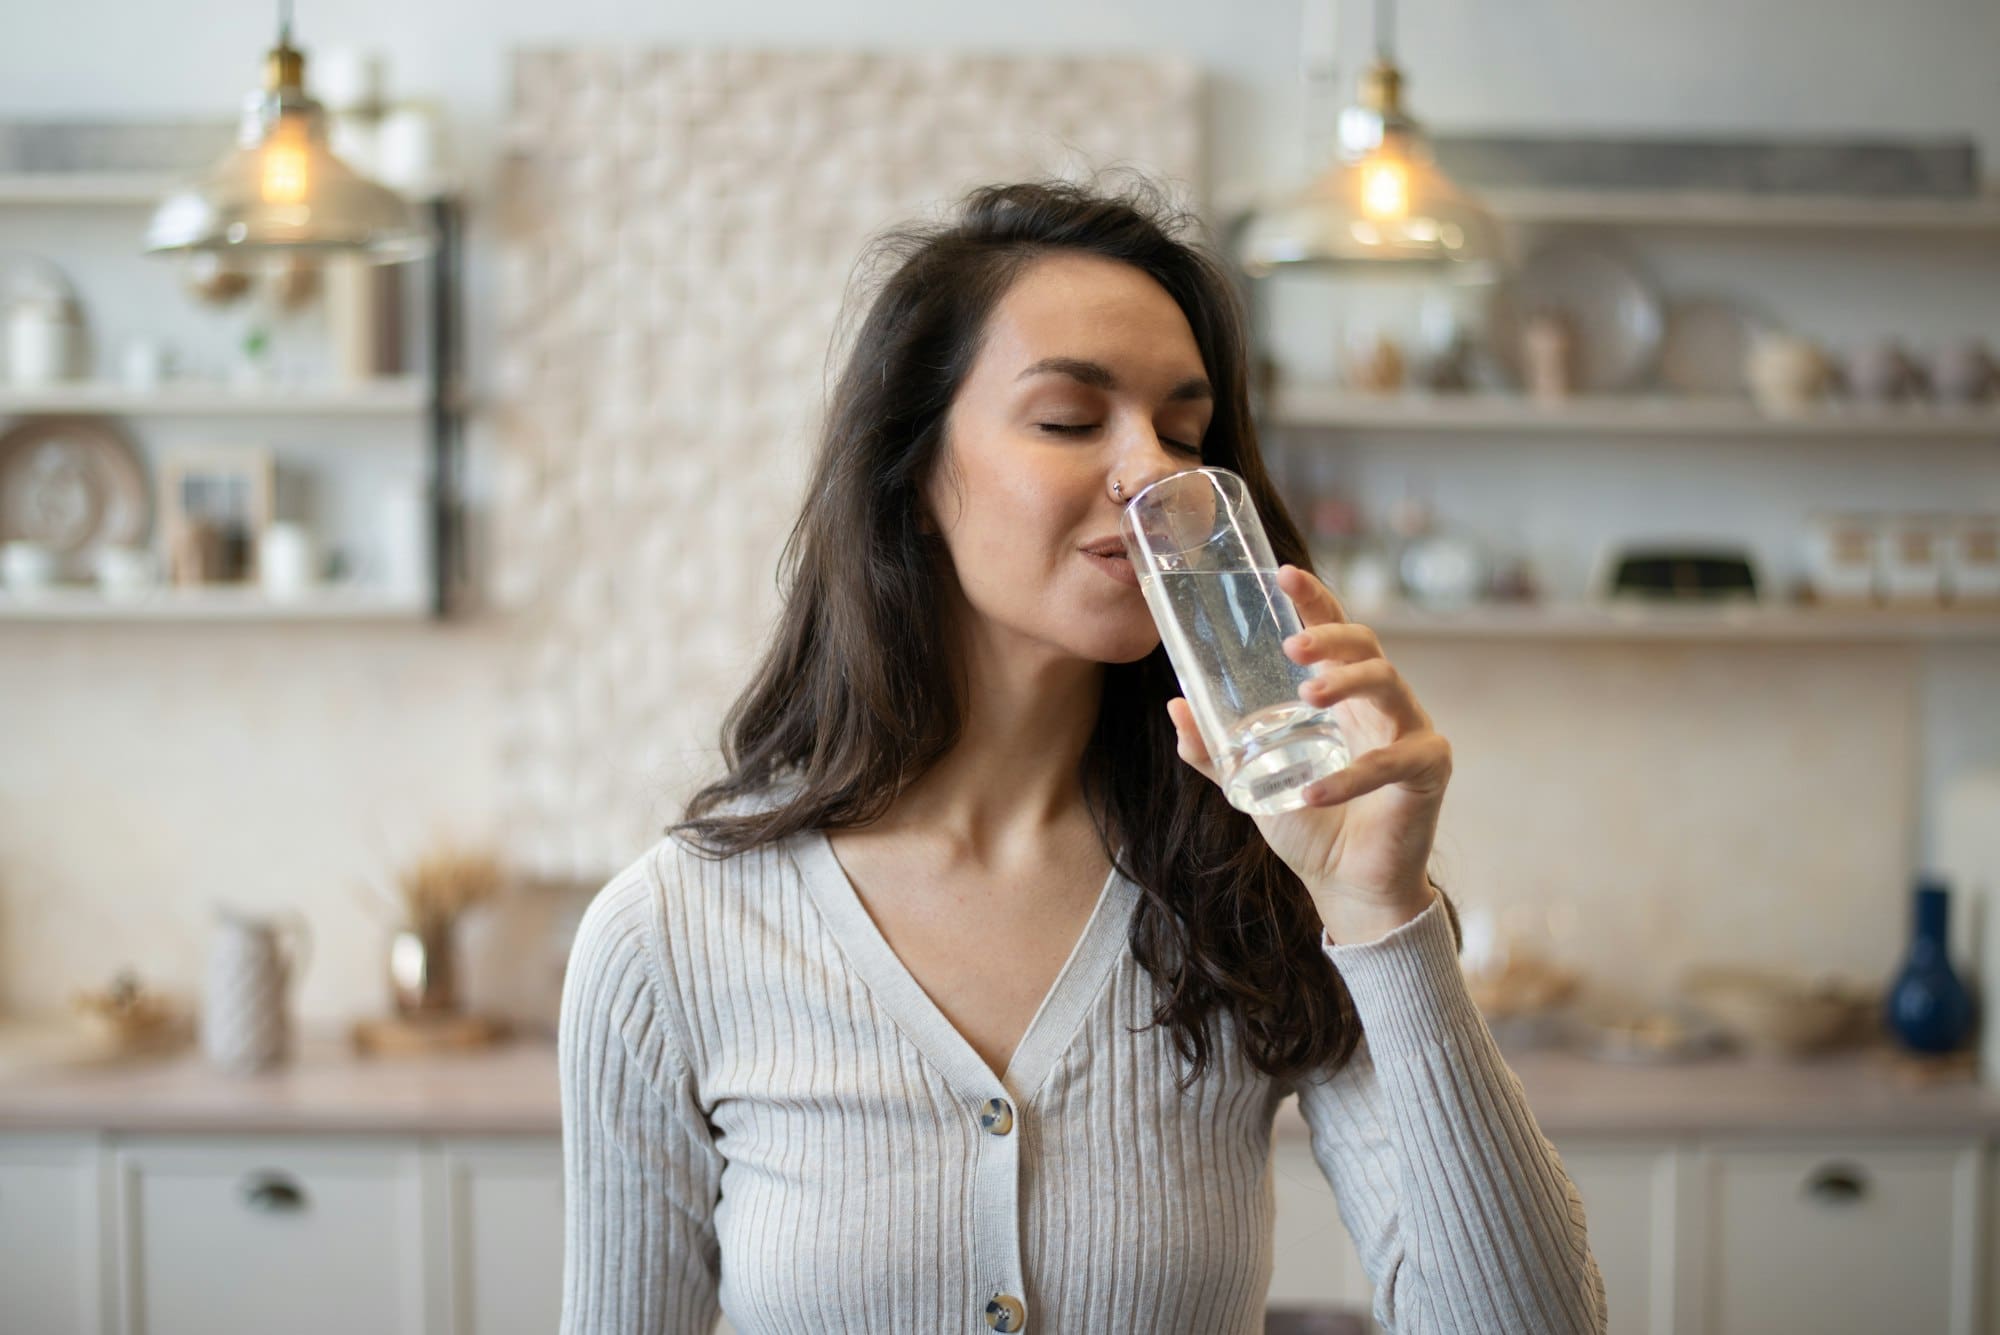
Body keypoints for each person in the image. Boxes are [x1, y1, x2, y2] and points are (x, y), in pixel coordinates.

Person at [560, 177, 1607, 1334]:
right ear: (911, 480)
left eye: (1185, 431)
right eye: (1069, 420)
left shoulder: (1253, 886)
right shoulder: (670, 936)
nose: (1151, 467)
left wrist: (1378, 911)